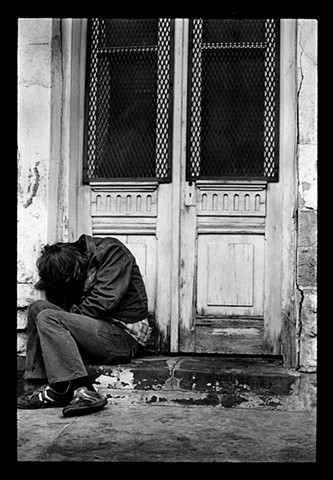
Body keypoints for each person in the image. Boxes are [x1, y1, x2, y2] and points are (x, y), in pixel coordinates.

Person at [17, 234, 150, 417]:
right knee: (37, 309)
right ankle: (42, 386)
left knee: (48, 317)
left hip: (122, 336)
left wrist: (62, 322)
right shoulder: (70, 263)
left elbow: (105, 300)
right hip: (93, 332)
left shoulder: (112, 252)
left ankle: (85, 391)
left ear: (78, 265)